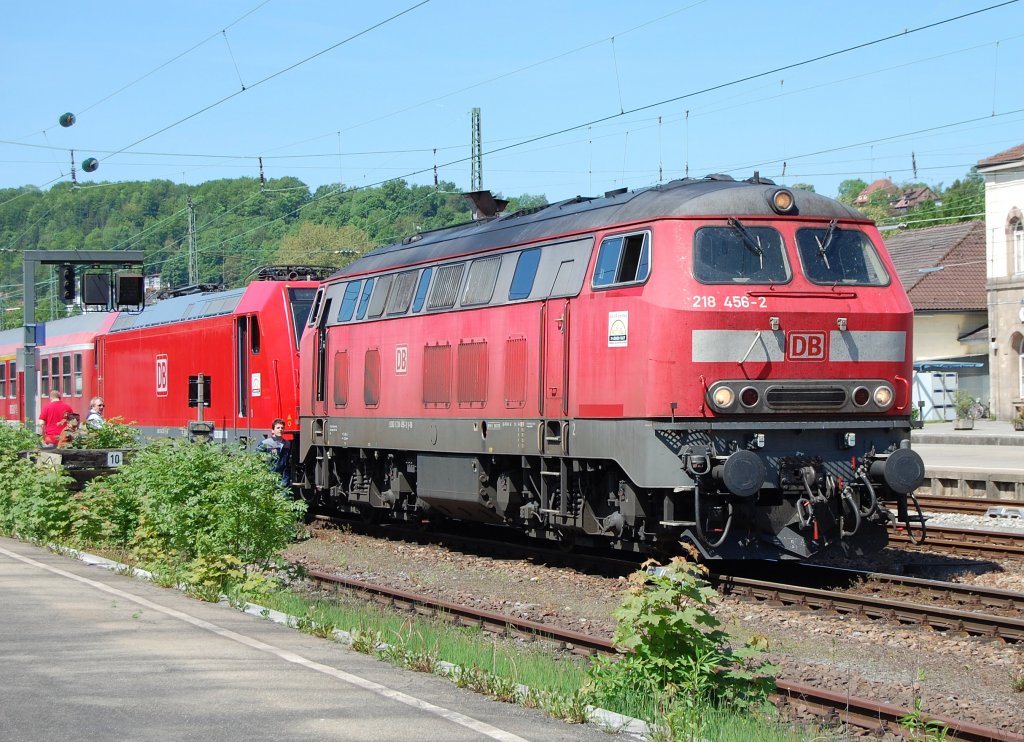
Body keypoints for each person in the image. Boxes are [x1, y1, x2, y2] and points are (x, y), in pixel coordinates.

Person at [257, 418, 291, 487]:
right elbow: (257, 458)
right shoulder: (265, 443)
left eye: (282, 428)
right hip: (269, 476)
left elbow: (288, 462)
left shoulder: (287, 444)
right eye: (278, 428)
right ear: (273, 430)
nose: (280, 429)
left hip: (283, 478)